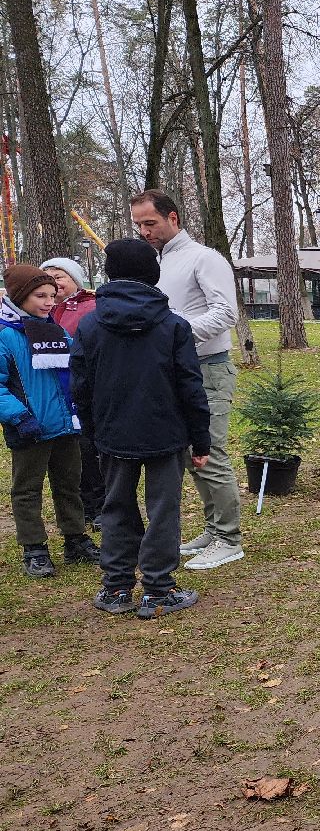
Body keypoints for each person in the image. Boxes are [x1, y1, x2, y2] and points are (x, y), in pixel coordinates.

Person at [73, 240, 211, 618]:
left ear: (110, 273)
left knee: (116, 506)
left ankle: (117, 588)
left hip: (116, 434)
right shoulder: (173, 326)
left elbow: (80, 387)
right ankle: (157, 589)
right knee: (163, 509)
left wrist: (92, 431)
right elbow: (191, 387)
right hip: (162, 435)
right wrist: (202, 439)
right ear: (153, 273)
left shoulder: (90, 324)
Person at [130, 189, 243, 571]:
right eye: (139, 225)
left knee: (209, 453)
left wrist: (174, 332)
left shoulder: (204, 258)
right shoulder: (157, 263)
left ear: (173, 218)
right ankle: (214, 529)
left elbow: (226, 313)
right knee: (193, 455)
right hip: (174, 372)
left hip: (208, 368)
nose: (145, 231)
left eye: (151, 223)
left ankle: (230, 538)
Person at [1, 265, 99, 577]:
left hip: (65, 424)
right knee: (27, 489)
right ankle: (34, 548)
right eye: (40, 296)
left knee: (69, 483)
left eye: (52, 296)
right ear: (20, 297)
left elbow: (74, 368)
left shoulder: (55, 330)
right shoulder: (5, 335)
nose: (48, 302)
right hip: (29, 425)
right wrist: (19, 416)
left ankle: (75, 539)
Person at [40, 257, 103, 524]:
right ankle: (83, 505)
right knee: (73, 453)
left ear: (75, 279)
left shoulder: (90, 307)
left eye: (59, 276)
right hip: (58, 390)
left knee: (90, 449)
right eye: (48, 277)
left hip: (84, 384)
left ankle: (99, 504)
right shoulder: (44, 310)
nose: (55, 282)